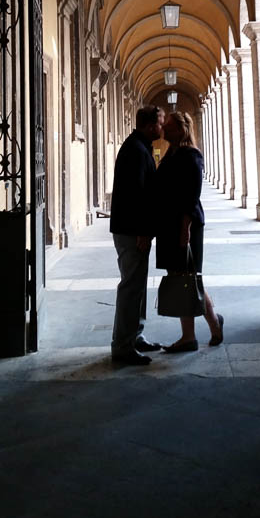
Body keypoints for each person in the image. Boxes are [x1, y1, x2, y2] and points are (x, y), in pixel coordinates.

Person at [155, 110, 224, 352]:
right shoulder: (171, 153)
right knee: (183, 277)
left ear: (182, 130)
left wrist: (185, 227)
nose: (164, 130)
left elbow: (192, 194)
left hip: (185, 226)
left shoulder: (191, 155)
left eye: (170, 127)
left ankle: (195, 333)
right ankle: (201, 330)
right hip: (169, 224)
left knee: (190, 277)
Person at [110, 104, 165, 365]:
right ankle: (122, 346)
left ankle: (135, 335)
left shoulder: (139, 146)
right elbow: (136, 196)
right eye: (161, 123)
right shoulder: (135, 150)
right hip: (132, 231)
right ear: (151, 125)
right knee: (131, 288)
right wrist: (143, 231)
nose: (163, 128)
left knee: (138, 286)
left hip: (133, 230)